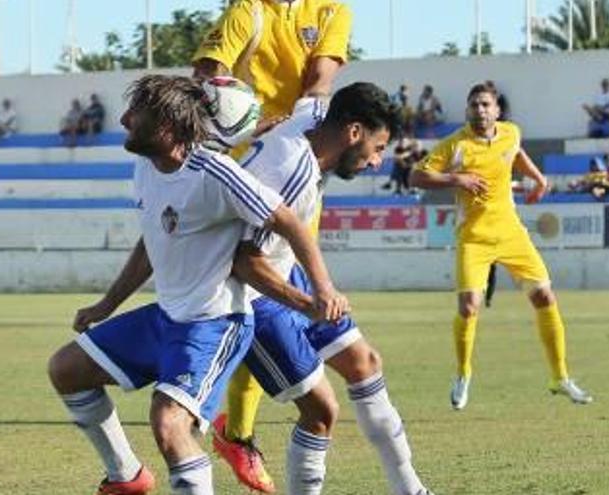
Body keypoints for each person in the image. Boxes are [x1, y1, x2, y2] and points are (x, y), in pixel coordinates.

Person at [45, 75, 347, 495]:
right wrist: (107, 304)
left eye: (138, 115)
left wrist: (322, 290)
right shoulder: (145, 166)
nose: (125, 119)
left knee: (169, 423)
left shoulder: (216, 174)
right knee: (67, 369)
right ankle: (127, 476)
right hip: (168, 315)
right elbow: (153, 238)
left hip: (213, 322)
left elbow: (289, 222)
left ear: (169, 126)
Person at [226, 82, 432, 495]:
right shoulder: (292, 174)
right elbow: (239, 259)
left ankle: (410, 490)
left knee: (364, 364)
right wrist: (308, 302)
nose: (377, 162)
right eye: (377, 148)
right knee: (320, 412)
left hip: (282, 269)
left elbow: (317, 89)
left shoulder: (315, 119)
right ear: (353, 132)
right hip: (249, 294)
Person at [192, 1, 351, 489]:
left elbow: (322, 73)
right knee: (231, 296)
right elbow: (209, 70)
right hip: (242, 167)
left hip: (298, 169)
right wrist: (235, 116)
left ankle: (232, 430)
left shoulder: (330, 9)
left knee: (266, 299)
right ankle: (208, 413)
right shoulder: (249, 8)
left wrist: (302, 114)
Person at [410, 83, 593, 411]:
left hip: (511, 233)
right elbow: (416, 176)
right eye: (474, 105)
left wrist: (539, 179)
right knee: (469, 307)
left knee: (544, 296)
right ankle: (463, 373)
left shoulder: (510, 133)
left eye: (485, 105)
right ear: (468, 111)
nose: (479, 110)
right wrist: (458, 179)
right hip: (474, 237)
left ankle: (560, 377)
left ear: (496, 110)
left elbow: (515, 152)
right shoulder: (456, 145)